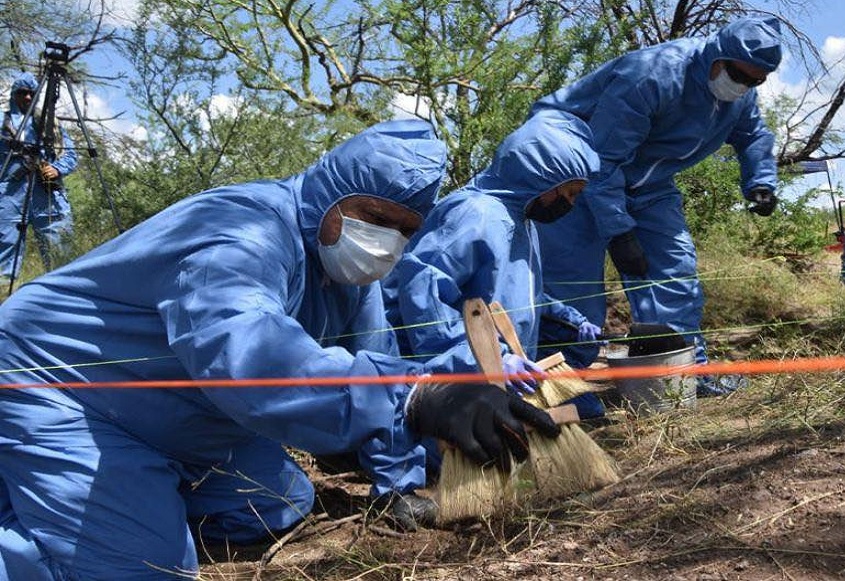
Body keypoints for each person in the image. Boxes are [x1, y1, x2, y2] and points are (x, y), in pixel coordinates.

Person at [0, 120, 560, 580]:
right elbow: (247, 355)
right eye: (376, 216)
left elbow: (375, 366)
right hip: (60, 388)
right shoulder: (241, 234)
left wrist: (413, 470)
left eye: (404, 228)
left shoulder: (348, 279)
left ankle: (122, 499)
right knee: (148, 569)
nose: (386, 239)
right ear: (330, 193)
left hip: (182, 408)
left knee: (278, 506)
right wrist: (415, 397)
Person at [530, 16, 783, 398]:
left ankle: (679, 377)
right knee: (571, 287)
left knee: (675, 275)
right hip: (575, 175)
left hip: (649, 184)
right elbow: (602, 160)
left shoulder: (740, 95)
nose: (743, 86)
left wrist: (760, 180)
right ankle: (562, 389)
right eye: (738, 75)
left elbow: (752, 135)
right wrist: (619, 231)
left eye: (755, 81)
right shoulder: (652, 75)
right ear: (718, 54)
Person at [372, 109, 602, 528]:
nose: (569, 205)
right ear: (537, 175)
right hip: (450, 374)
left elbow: (522, 292)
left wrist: (569, 318)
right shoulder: (475, 213)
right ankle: (421, 495)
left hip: (496, 367)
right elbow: (425, 294)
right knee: (458, 446)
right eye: (566, 194)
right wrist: (475, 356)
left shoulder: (521, 219)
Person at [0, 72, 78, 278]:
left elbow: (70, 154)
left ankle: (61, 295)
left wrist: (58, 168)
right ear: (14, 94)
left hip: (47, 195)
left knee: (60, 252)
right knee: (5, 251)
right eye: (22, 93)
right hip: (9, 194)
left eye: (31, 94)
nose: (27, 97)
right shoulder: (2, 120)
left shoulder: (49, 122)